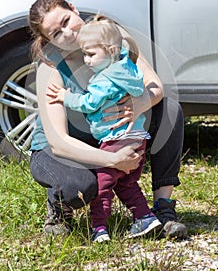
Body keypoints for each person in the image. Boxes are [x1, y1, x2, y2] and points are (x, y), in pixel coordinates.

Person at [28, 0, 187, 239]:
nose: (68, 33)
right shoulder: (50, 68)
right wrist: (112, 160)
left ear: (73, 8)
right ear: (49, 41)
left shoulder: (114, 37)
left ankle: (163, 210)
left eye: (66, 21)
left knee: (170, 110)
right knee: (80, 187)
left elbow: (154, 84)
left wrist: (140, 102)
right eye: (57, 34)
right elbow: (58, 142)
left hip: (105, 135)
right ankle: (60, 209)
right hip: (58, 149)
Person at [46, 14, 162, 242]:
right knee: (126, 183)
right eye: (85, 54)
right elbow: (127, 48)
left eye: (91, 54)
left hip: (114, 139)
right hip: (136, 137)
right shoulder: (126, 66)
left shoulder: (104, 80)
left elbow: (87, 103)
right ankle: (145, 218)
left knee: (102, 186)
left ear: (109, 51)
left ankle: (98, 228)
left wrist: (65, 96)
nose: (87, 60)